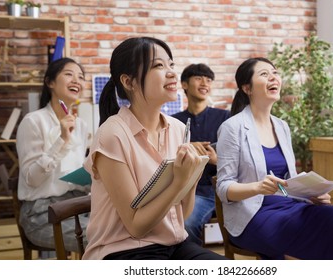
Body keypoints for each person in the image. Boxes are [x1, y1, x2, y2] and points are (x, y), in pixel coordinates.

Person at [82, 37, 227, 260]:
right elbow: (136, 227)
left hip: (174, 244)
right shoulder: (112, 134)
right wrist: (179, 180)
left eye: (171, 65)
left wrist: (192, 177)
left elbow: (183, 215)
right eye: (158, 65)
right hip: (122, 251)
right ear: (128, 82)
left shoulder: (178, 129)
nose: (171, 73)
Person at [215, 57, 333, 260]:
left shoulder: (282, 126)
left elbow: (290, 181)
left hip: (290, 207)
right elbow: (223, 188)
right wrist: (258, 187)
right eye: (264, 74)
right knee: (307, 235)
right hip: (253, 216)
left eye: (275, 72)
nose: (274, 77)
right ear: (247, 88)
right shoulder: (232, 127)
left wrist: (311, 194)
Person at [16, 57, 89, 252]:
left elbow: (76, 175)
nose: (77, 80)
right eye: (68, 74)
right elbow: (32, 178)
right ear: (50, 82)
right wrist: (61, 140)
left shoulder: (81, 125)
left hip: (77, 206)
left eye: (81, 77)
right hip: (41, 215)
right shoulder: (33, 122)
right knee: (101, 238)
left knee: (123, 230)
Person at [172, 63, 230, 245]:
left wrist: (215, 160)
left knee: (186, 223)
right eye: (198, 78)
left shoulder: (225, 118)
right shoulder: (173, 122)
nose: (205, 83)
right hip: (178, 189)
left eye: (209, 80)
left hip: (210, 191)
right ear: (184, 85)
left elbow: (238, 162)